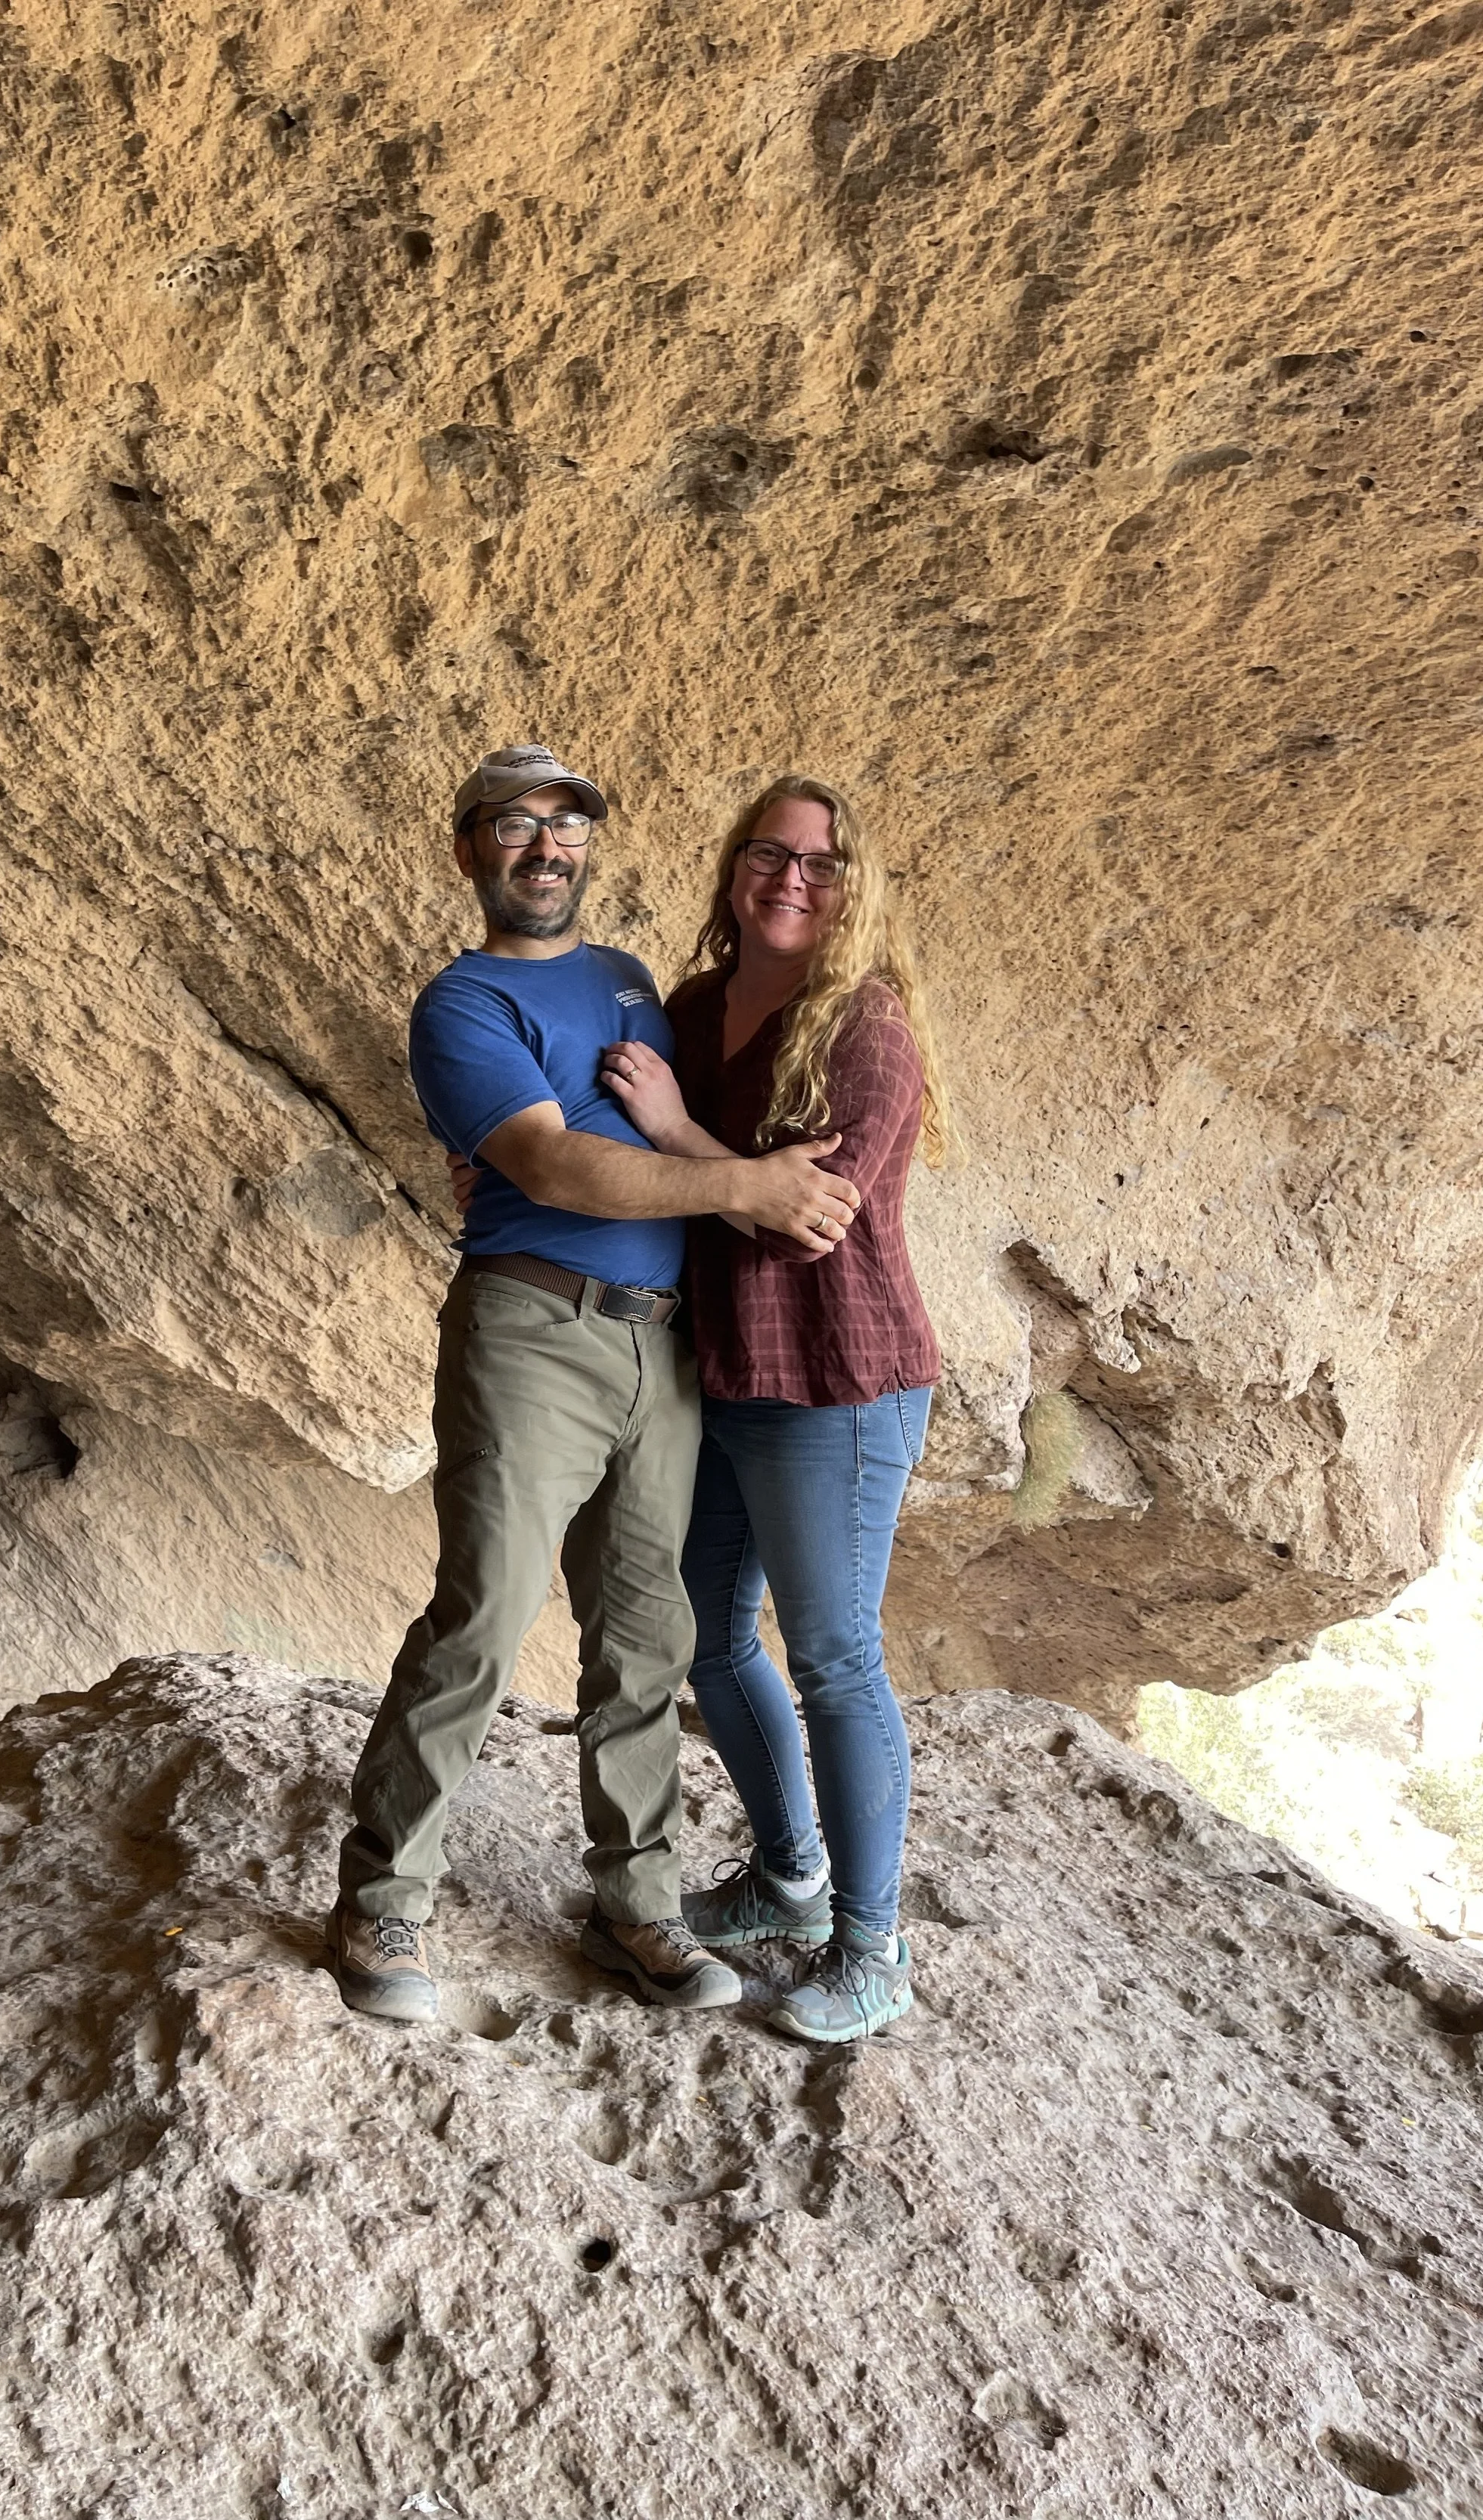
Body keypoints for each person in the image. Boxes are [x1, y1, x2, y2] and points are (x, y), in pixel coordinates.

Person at [329, 745, 865, 2025]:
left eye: (568, 826)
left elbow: (673, 1111)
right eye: (516, 826)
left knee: (647, 1635)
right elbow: (557, 1166)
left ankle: (641, 1906)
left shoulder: (631, 983)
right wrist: (749, 1185)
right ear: (471, 850)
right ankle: (383, 1900)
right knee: (481, 1616)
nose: (546, 848)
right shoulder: (461, 1004)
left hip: (663, 1342)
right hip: (534, 1333)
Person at [600, 774, 955, 2044]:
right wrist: (712, 1162)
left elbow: (814, 1218)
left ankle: (873, 1948)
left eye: (822, 862)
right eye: (769, 854)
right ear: (734, 871)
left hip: (839, 1380)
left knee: (835, 1656)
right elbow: (696, 1183)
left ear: (855, 887)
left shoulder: (865, 1025)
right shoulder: (695, 1007)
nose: (792, 879)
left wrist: (677, 1133)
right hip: (726, 1371)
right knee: (706, 1631)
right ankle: (788, 1874)